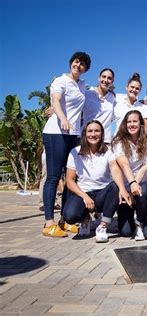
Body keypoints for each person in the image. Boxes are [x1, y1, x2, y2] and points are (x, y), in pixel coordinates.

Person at [42, 51, 91, 237]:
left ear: (85, 69)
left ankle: (64, 221)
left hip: (74, 135)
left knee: (71, 177)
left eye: (82, 64)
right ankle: (48, 224)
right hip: (56, 132)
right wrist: (61, 117)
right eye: (76, 62)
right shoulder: (61, 80)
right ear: (71, 63)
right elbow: (55, 100)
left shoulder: (82, 86)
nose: (78, 66)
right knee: (54, 178)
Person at [62, 121, 130, 241]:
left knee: (115, 186)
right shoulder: (75, 152)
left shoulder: (108, 151)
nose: (93, 134)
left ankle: (102, 226)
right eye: (90, 131)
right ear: (85, 133)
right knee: (70, 216)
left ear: (102, 134)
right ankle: (85, 219)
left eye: (97, 131)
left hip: (102, 194)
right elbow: (69, 180)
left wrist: (123, 189)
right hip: (83, 193)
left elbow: (115, 169)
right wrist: (84, 196)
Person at [110, 110, 147, 241]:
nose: (132, 124)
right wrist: (131, 184)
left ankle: (140, 222)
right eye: (129, 122)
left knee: (143, 191)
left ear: (140, 124)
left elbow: (145, 166)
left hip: (141, 184)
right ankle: (129, 216)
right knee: (126, 232)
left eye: (135, 121)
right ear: (124, 124)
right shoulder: (118, 142)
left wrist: (135, 185)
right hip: (125, 187)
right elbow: (124, 165)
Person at [82, 68, 116, 143]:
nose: (106, 80)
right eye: (103, 77)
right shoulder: (87, 94)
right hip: (88, 139)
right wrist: (54, 109)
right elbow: (71, 104)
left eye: (109, 78)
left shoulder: (112, 97)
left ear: (112, 81)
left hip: (105, 141)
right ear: (99, 78)